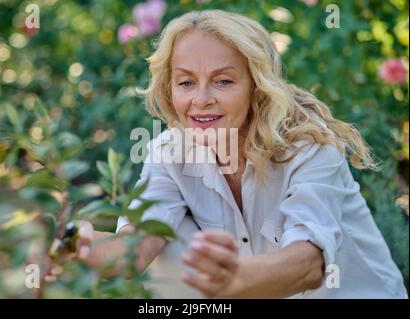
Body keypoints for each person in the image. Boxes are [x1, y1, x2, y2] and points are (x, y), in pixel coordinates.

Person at [71, 10, 407, 298]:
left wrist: (234, 282)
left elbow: (309, 264)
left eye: (223, 81)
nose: (201, 99)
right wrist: (69, 247)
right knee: (169, 240)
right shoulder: (169, 153)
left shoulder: (309, 147)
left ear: (256, 86)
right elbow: (136, 249)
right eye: (186, 83)